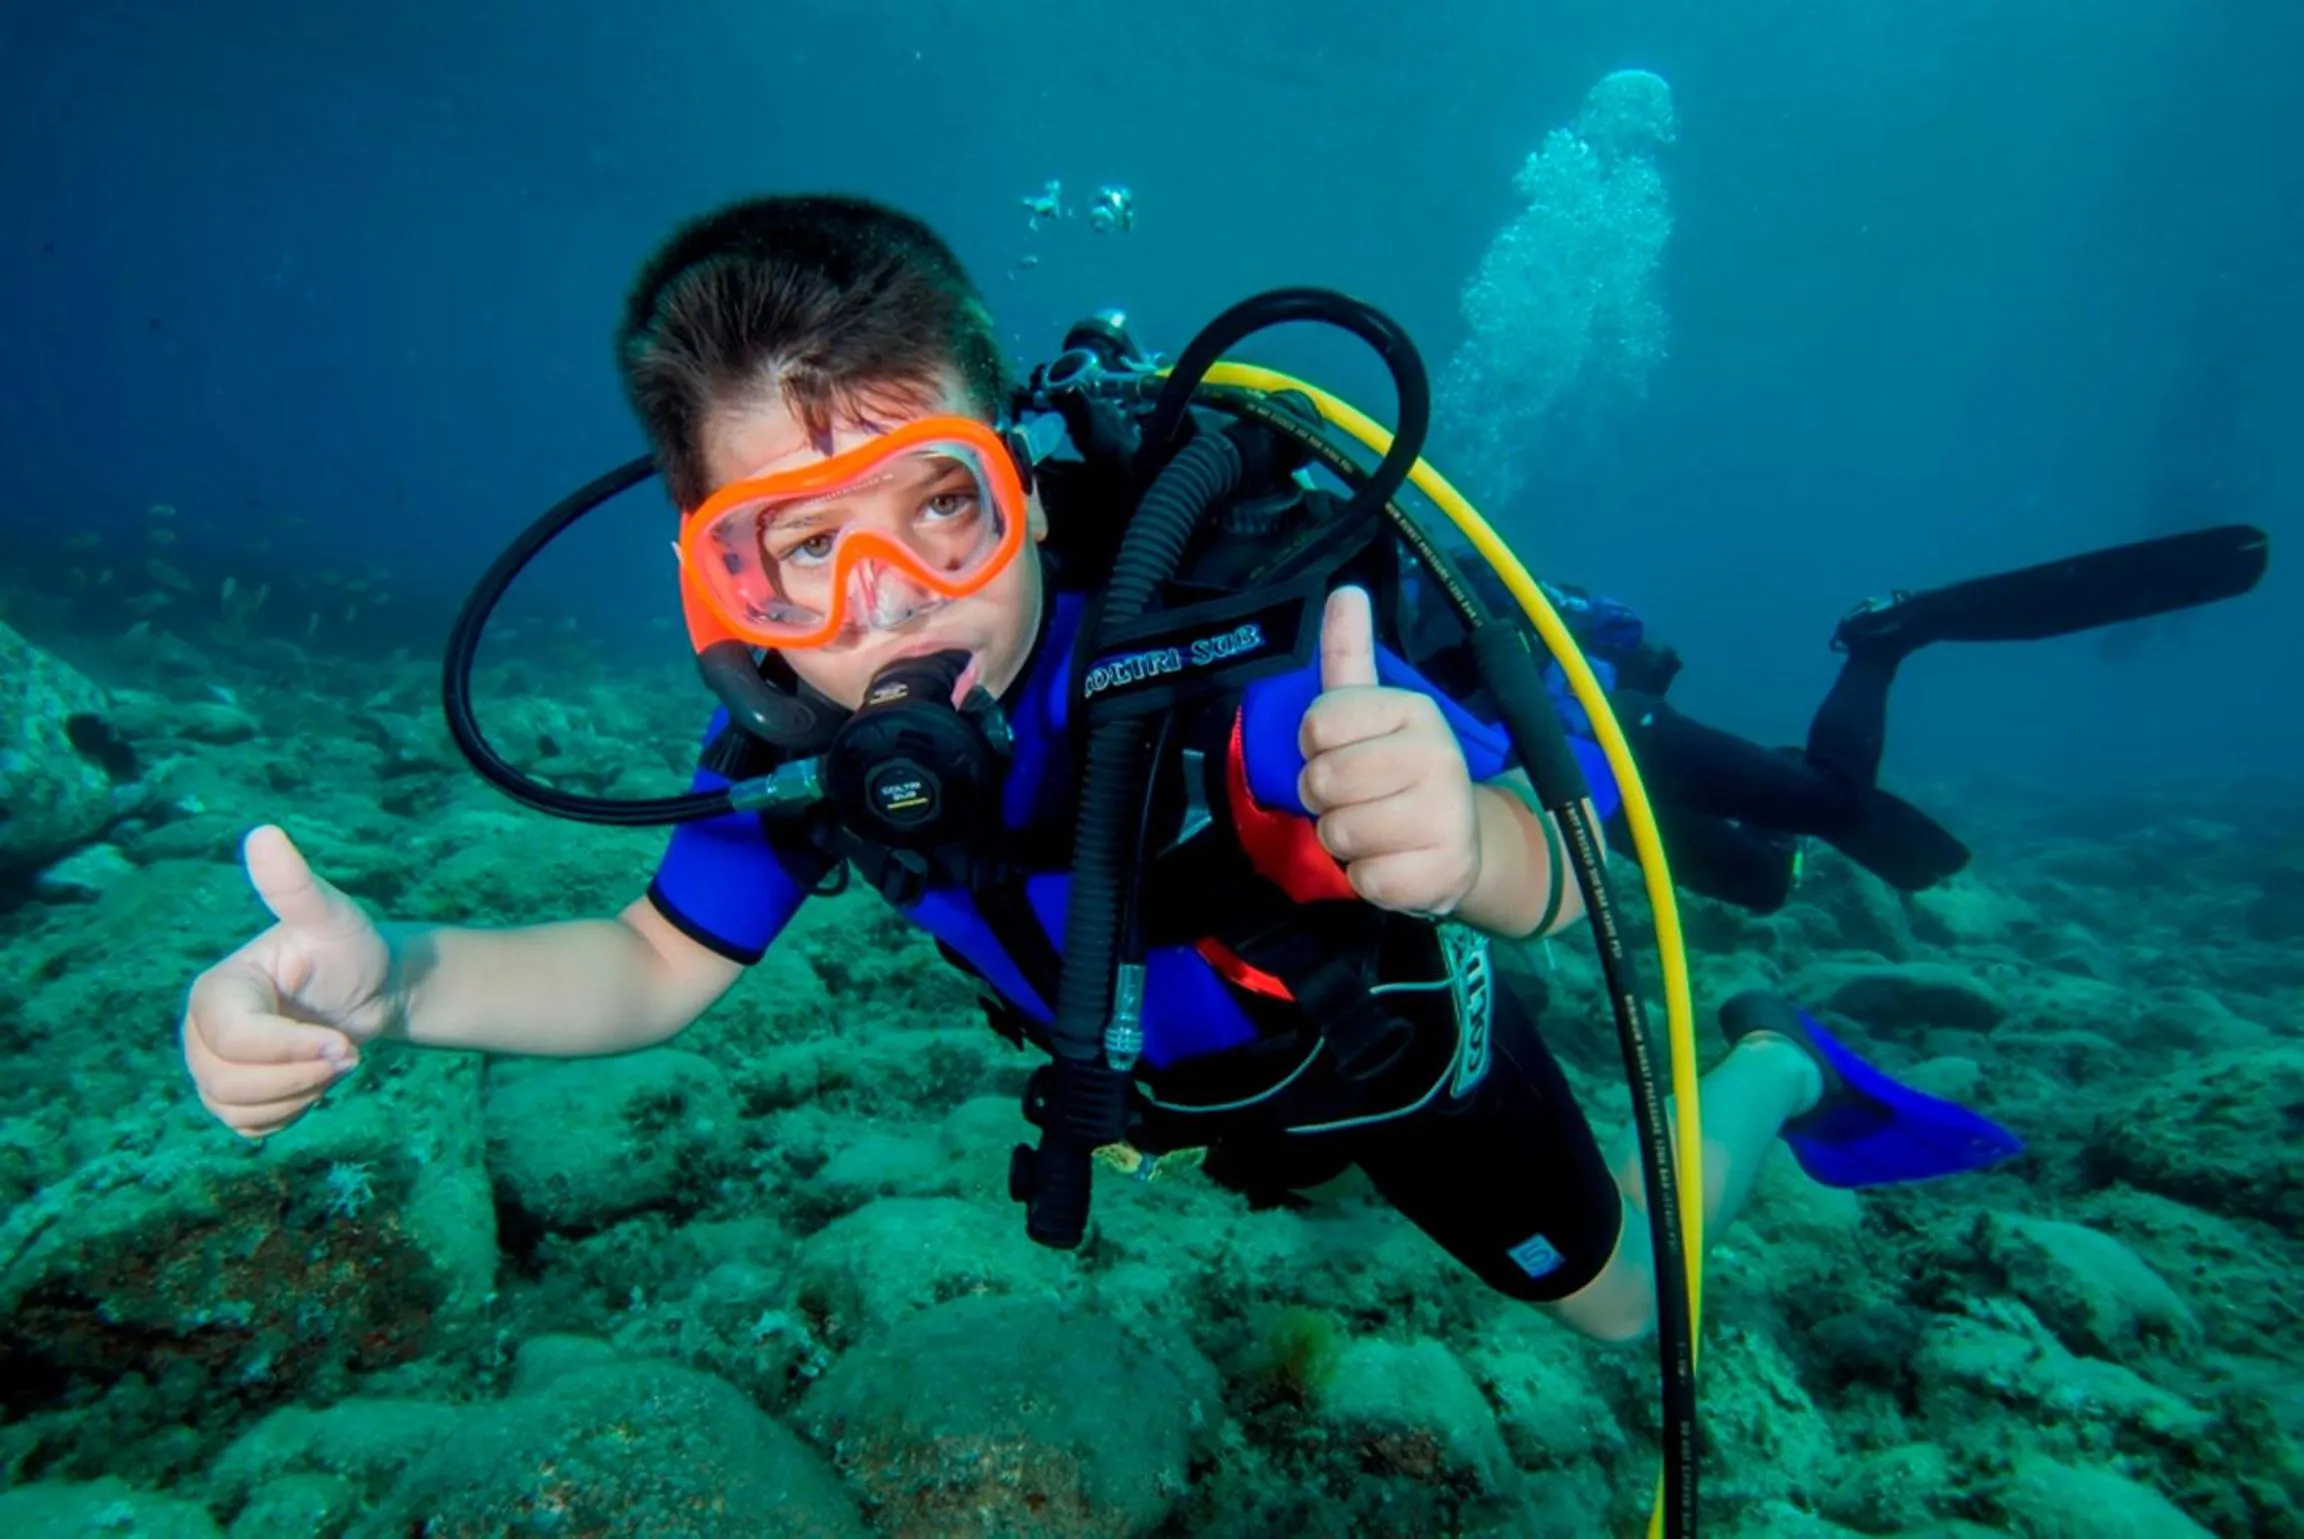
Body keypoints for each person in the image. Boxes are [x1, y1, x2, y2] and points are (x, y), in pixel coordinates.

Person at [180, 193, 2021, 1362]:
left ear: (1028, 486)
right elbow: (646, 966)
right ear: (710, 583)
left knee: (1641, 1313)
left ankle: (1778, 1063)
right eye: (788, 551)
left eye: (941, 506)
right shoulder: (792, 749)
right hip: (1190, 1096)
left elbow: (1559, 879)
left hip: (1391, 1064)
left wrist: (1464, 844)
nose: (889, 606)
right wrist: (396, 977)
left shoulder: (1244, 647)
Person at [1411, 523, 2269, 913]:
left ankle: (1885, 638)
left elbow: (1588, 633)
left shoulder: (1412, 569)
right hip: (1555, 781)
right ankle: (1768, 788)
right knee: (1762, 884)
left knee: (1833, 802)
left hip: (1598, 727)